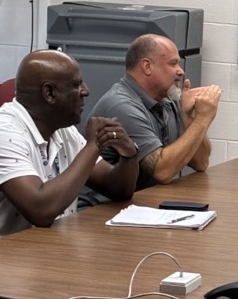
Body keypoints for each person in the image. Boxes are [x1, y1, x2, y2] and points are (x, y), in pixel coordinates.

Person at [0, 50, 139, 247]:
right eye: (76, 85)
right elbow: (41, 210)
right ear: (49, 93)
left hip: (34, 248)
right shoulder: (2, 133)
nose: (86, 91)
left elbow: (118, 189)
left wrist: (128, 154)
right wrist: (93, 146)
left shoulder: (63, 131)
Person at [89, 33, 221, 190]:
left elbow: (201, 162)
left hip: (143, 205)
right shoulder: (122, 105)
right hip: (102, 210)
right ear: (147, 66)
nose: (180, 71)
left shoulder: (168, 99)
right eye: (173, 64)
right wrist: (202, 119)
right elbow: (162, 171)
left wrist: (189, 117)